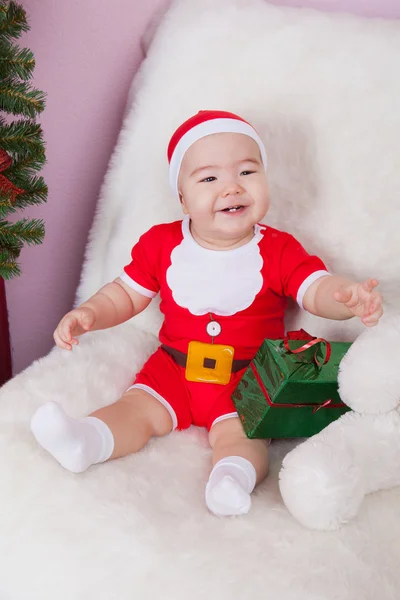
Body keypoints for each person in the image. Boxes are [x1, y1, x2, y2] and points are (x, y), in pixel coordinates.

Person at [30, 110, 383, 517]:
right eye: (209, 178)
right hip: (173, 370)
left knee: (243, 437)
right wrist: (89, 312)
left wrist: (346, 297)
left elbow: (314, 289)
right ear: (182, 198)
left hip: (245, 380)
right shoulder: (161, 244)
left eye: (247, 172)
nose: (232, 188)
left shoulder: (279, 249)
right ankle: (86, 440)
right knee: (135, 410)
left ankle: (230, 478)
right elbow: (125, 295)